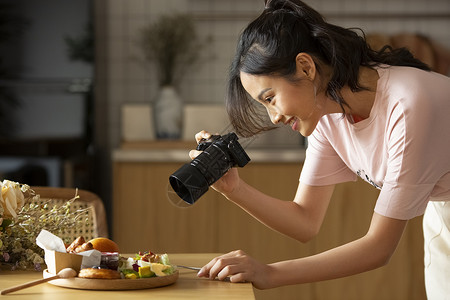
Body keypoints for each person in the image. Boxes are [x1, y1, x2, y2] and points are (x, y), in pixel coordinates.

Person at [189, 0, 450, 298]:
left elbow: (379, 247)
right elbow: (305, 221)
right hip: (442, 219)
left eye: (270, 98)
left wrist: (269, 272)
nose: (273, 117)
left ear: (305, 67)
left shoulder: (408, 106)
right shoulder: (327, 114)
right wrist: (234, 188)